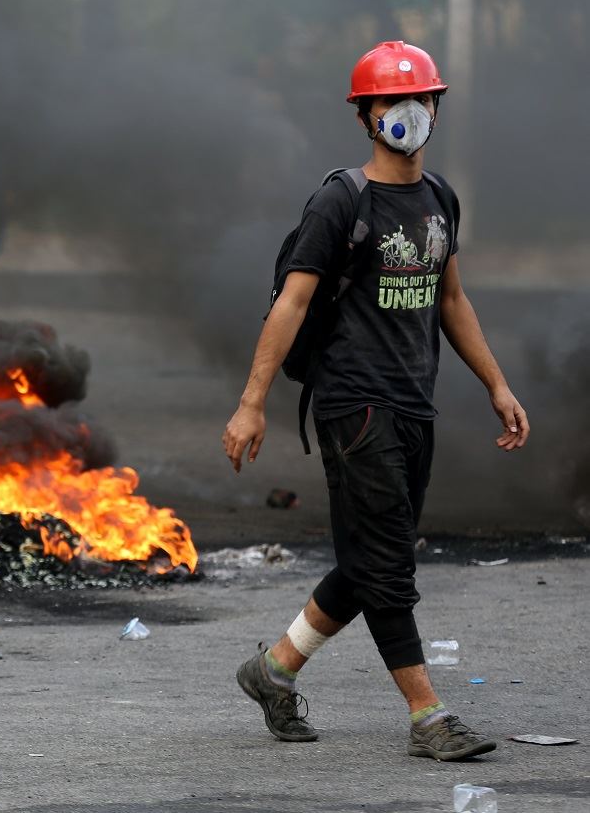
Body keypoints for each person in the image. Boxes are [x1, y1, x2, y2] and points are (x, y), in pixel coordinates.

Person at [221, 40, 530, 760]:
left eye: (420, 99)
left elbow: (451, 298)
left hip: (414, 402)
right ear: (365, 115)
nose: (409, 112)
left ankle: (273, 670)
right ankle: (429, 714)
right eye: (392, 101)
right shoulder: (342, 201)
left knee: (371, 555)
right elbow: (292, 304)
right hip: (353, 402)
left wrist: (496, 382)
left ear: (435, 109)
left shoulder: (439, 198)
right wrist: (251, 401)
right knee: (387, 561)